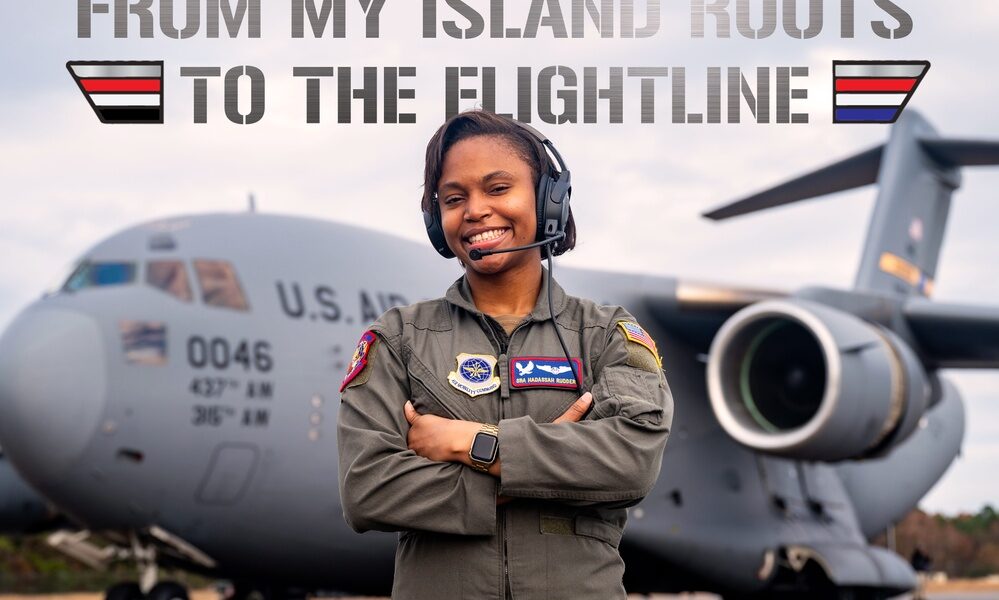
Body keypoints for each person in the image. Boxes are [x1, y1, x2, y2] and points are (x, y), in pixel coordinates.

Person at [336, 109, 674, 599]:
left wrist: (471, 444)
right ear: (436, 221)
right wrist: (536, 469)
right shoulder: (399, 339)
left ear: (548, 199)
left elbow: (631, 461)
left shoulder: (606, 335)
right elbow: (366, 489)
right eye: (454, 198)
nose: (475, 211)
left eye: (498, 188)